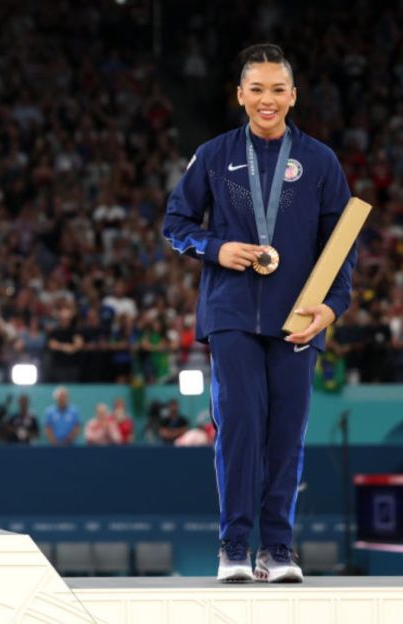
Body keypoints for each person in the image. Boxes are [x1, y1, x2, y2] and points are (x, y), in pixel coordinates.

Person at [163, 44, 355, 583]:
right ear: (240, 95)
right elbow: (175, 222)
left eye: (277, 89)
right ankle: (233, 547)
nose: (267, 99)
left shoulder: (320, 161)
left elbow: (342, 244)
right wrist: (213, 247)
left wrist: (333, 307)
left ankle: (278, 550)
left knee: (287, 434)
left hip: (299, 316)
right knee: (241, 428)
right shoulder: (214, 154)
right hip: (231, 312)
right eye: (257, 89)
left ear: (292, 96)